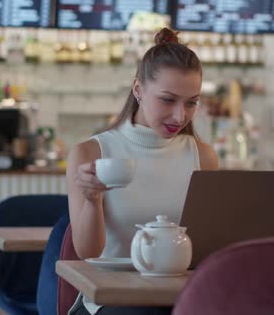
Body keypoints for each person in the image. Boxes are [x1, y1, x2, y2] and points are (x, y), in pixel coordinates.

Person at [65, 28, 218, 315]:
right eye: (168, 100)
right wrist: (92, 199)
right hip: (115, 297)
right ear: (138, 90)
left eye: (191, 102)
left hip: (181, 295)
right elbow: (88, 253)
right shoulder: (90, 153)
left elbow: (206, 246)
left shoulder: (203, 156)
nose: (180, 116)